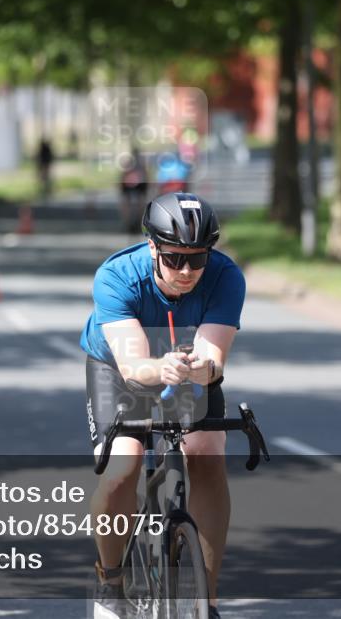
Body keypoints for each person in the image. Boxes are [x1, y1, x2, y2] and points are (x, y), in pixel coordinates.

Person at [80, 192, 245, 619]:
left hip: (186, 366)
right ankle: (110, 580)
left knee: (206, 451)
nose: (187, 271)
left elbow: (214, 358)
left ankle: (206, 602)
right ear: (152, 246)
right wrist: (161, 368)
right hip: (120, 368)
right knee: (122, 468)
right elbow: (133, 365)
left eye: (197, 258)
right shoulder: (116, 276)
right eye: (174, 259)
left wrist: (200, 370)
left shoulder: (226, 277)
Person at [118, 148, 148, 234]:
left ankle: (132, 222)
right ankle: (131, 223)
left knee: (137, 202)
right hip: (131, 185)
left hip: (136, 185)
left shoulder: (137, 164)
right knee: (133, 203)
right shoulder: (138, 164)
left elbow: (122, 176)